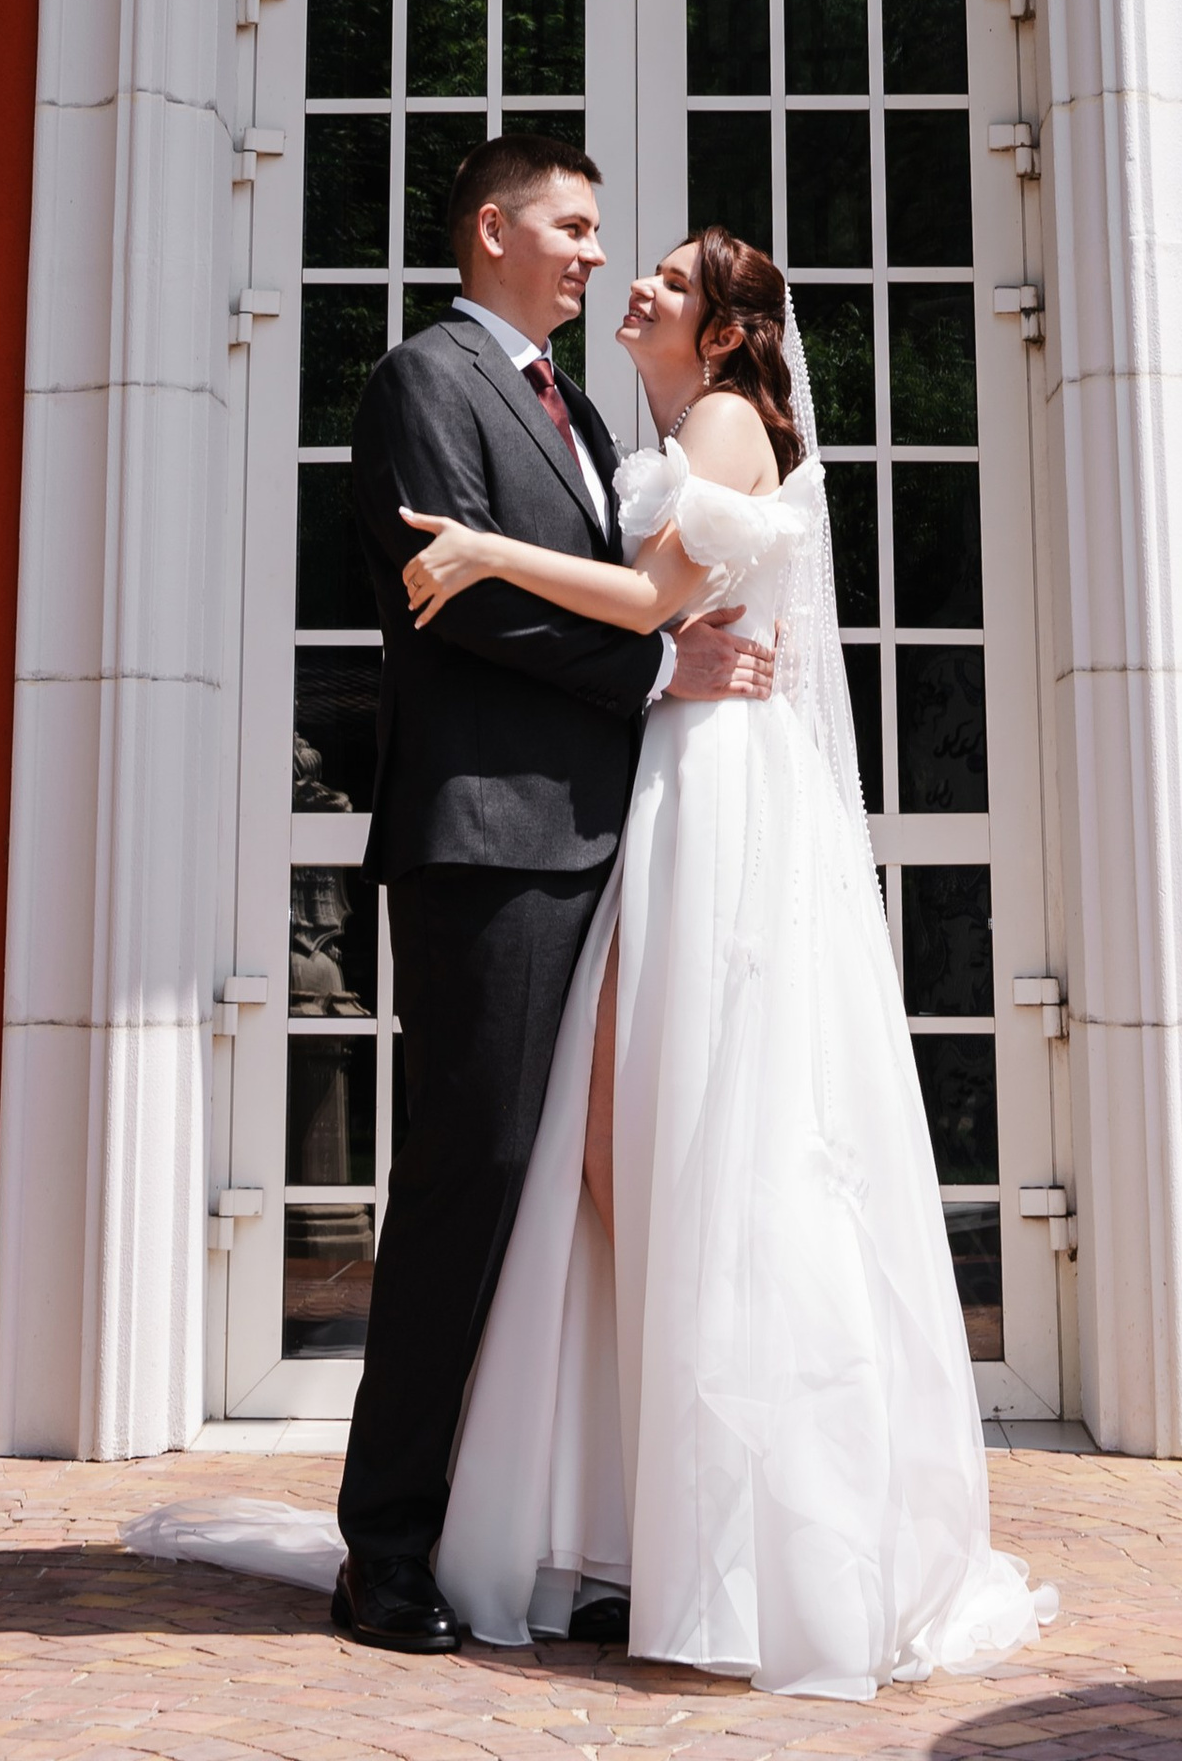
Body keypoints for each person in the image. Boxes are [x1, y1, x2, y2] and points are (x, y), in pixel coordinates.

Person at [404, 225, 1053, 1702]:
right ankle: (662, 1517)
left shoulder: (721, 421)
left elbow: (647, 606)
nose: (636, 285)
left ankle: (749, 1535)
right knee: (642, 1151)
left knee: (683, 1150)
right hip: (684, 774)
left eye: (672, 280)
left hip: (717, 795)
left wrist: (483, 548)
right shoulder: (680, 426)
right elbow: (665, 613)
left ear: (721, 330)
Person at [325, 137, 778, 1660]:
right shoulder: (425, 381)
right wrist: (658, 668)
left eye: (599, 233)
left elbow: (586, 580)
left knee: (586, 1201)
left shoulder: (580, 409)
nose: (595, 253)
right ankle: (386, 1549)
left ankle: (554, 1533)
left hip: (611, 840)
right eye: (573, 226)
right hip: (493, 843)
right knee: (472, 1181)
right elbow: (456, 604)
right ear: (492, 228)